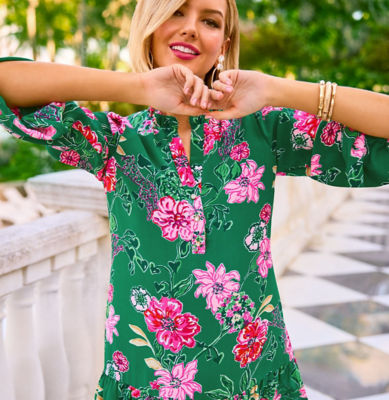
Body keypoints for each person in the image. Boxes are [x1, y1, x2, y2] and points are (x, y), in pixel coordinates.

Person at [0, 0, 388, 399]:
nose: (190, 28)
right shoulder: (116, 141)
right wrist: (138, 86)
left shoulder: (264, 131)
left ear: (224, 42)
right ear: (148, 26)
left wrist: (276, 88)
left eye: (210, 21)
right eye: (176, 12)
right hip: (143, 380)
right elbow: (7, 86)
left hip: (252, 377)